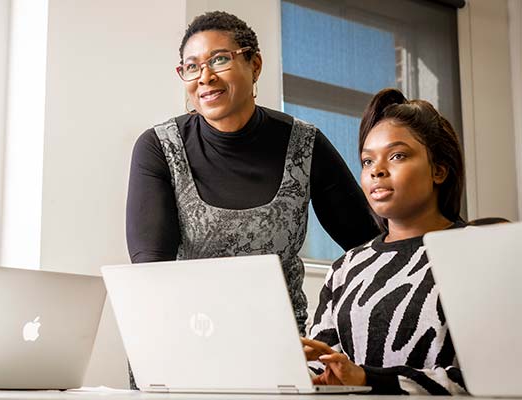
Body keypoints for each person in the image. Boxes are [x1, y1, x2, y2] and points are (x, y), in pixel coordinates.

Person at [126, 10, 378, 335]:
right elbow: (150, 274)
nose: (204, 77)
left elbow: (367, 245)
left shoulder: (305, 145)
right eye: (192, 66)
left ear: (255, 64)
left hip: (280, 343)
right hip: (185, 337)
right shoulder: (159, 147)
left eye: (219, 60)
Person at [302, 88, 468, 395]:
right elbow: (323, 364)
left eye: (397, 155)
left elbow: (488, 378)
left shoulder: (478, 253)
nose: (376, 170)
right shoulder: (346, 268)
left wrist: (367, 379)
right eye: (367, 161)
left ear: (439, 170)